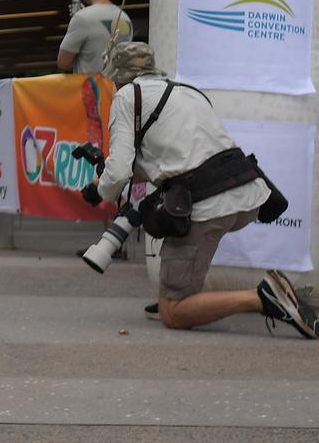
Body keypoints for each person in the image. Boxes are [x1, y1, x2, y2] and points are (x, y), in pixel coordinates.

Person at [88, 42, 316, 338]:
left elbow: (119, 170)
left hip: (207, 205)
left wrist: (103, 191)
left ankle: (263, 297)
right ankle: (191, 295)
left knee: (173, 311)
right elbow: (178, 156)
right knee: (183, 269)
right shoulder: (187, 91)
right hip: (248, 196)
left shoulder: (126, 96)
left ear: (119, 76)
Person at [57, 0, 133, 74]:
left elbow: (63, 62)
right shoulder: (125, 18)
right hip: (119, 89)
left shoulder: (82, 18)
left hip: (92, 89)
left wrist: (79, 18)